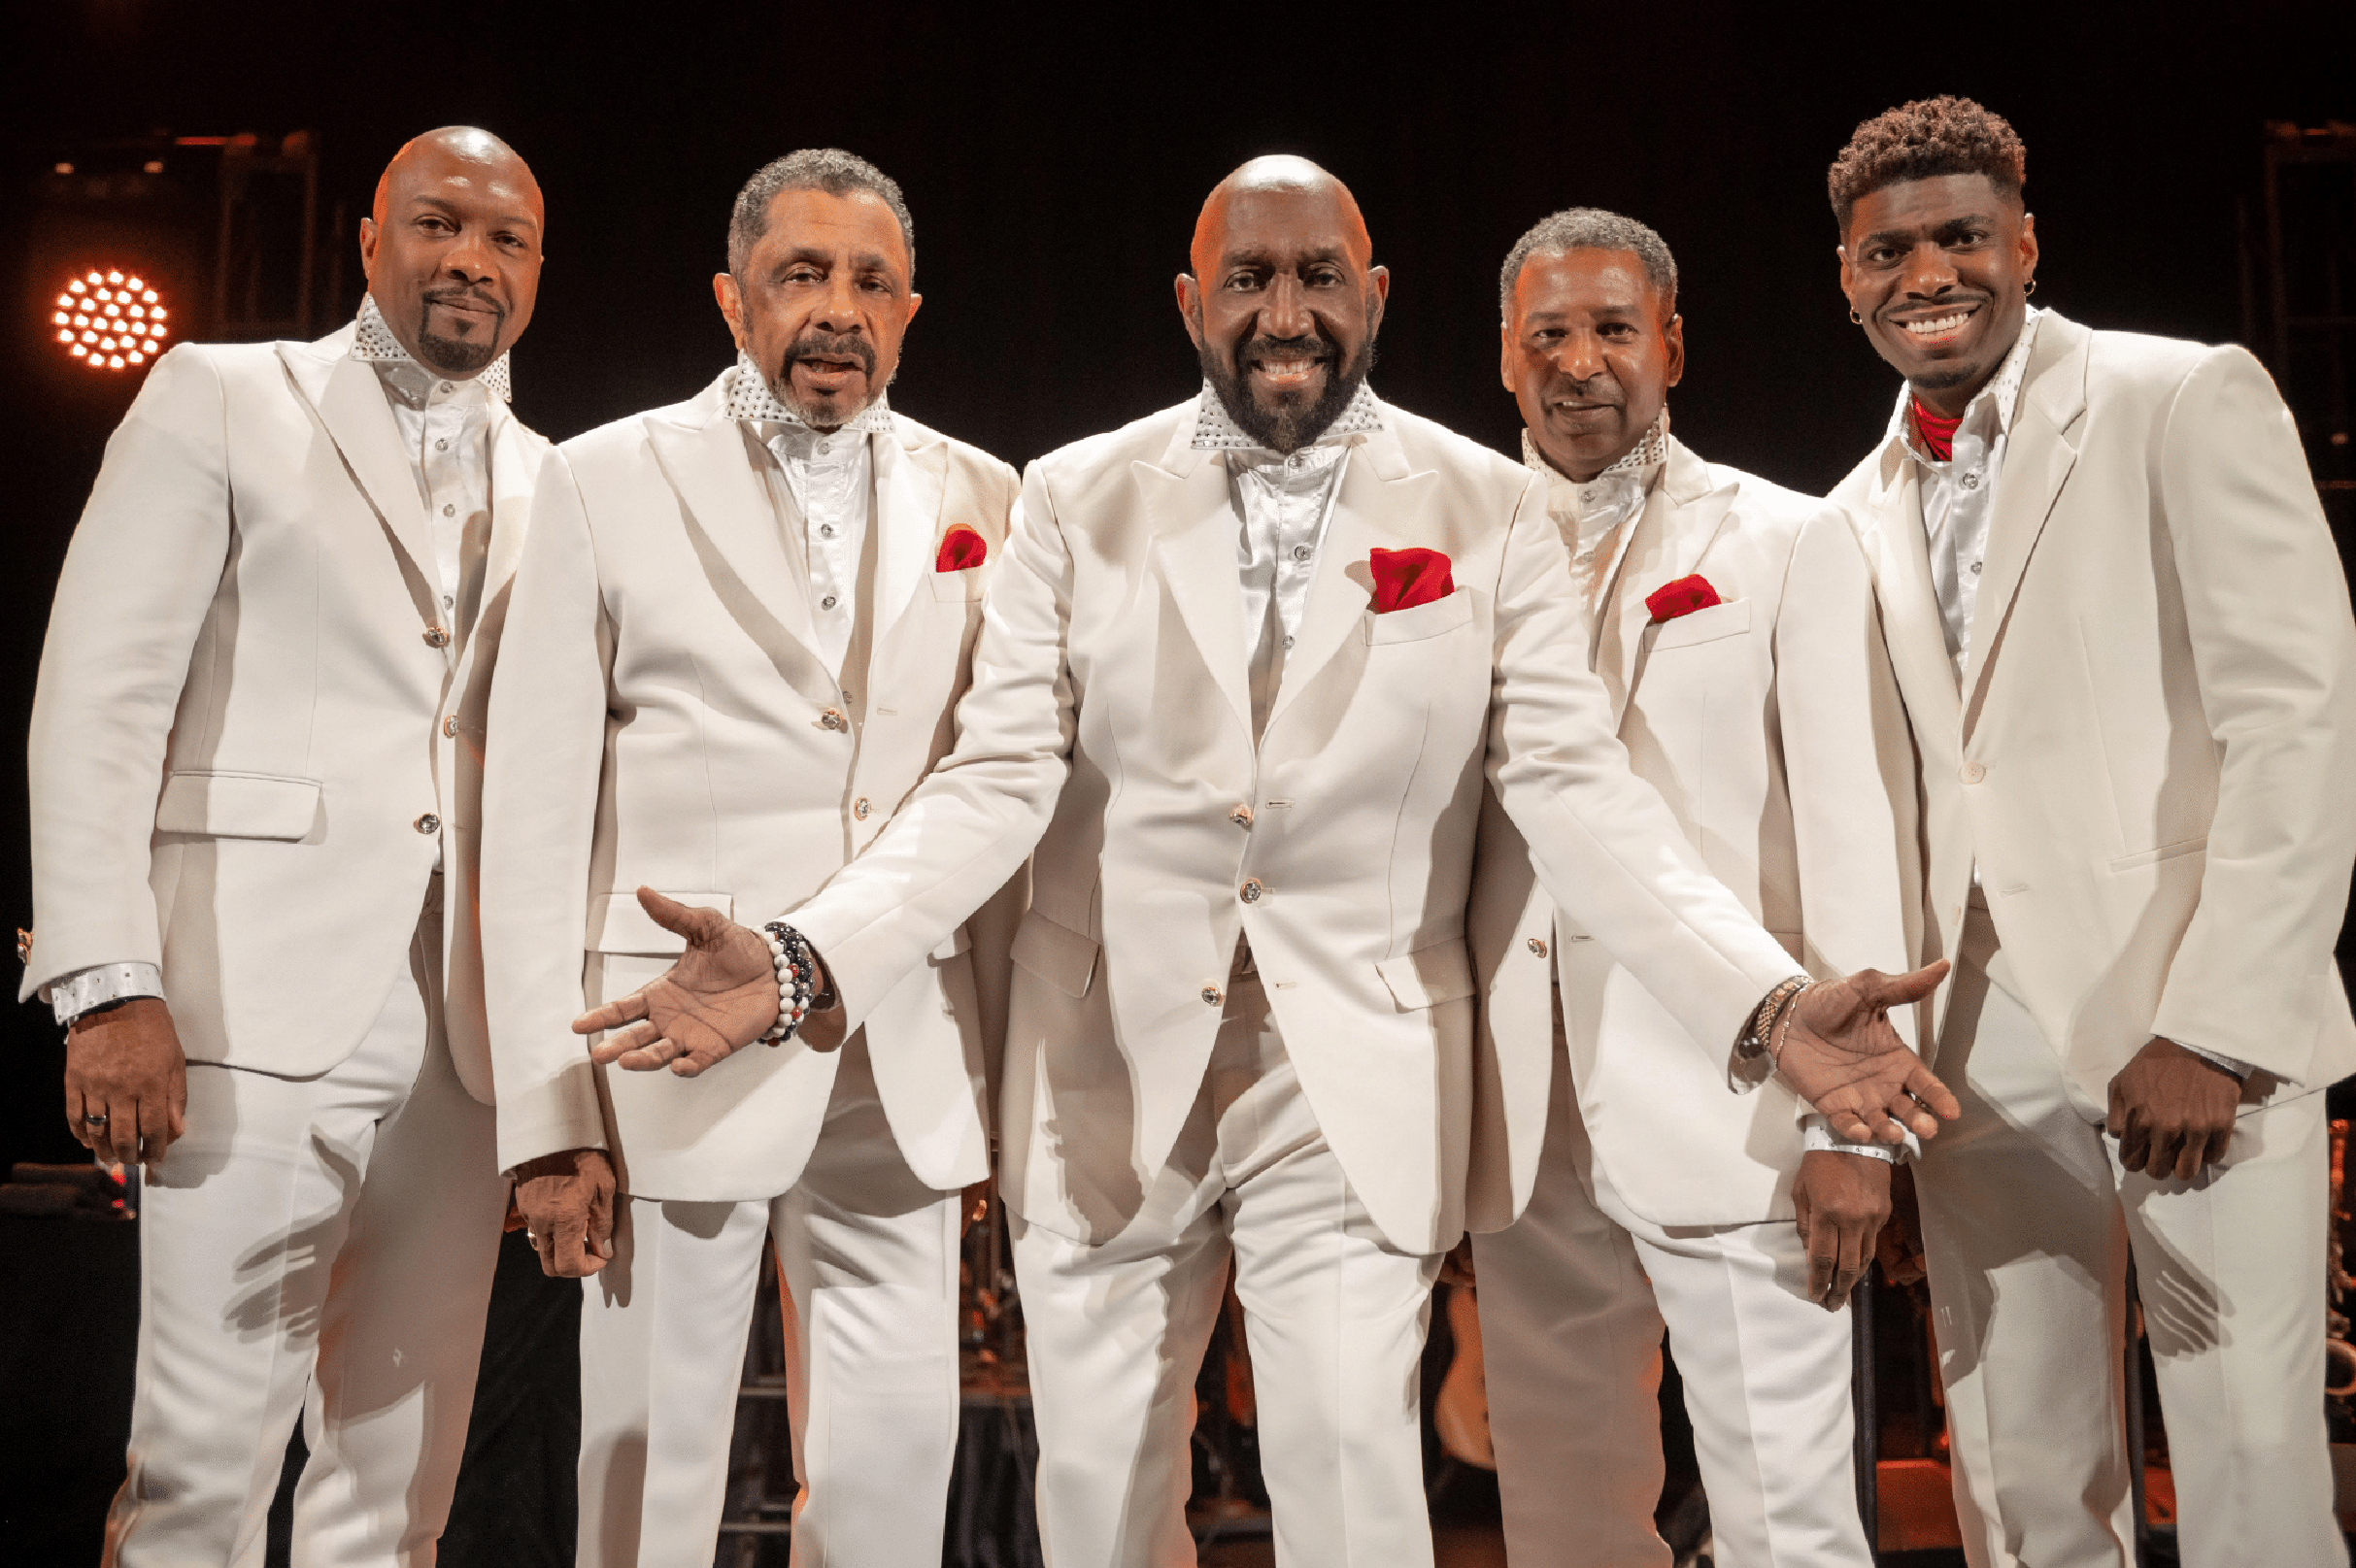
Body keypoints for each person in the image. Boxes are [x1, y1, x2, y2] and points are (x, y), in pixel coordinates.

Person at [582, 155, 1953, 1568]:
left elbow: (1574, 790)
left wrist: (1767, 1003)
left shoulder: (1486, 508)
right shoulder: (1071, 495)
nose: (1283, 312)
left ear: (1374, 297)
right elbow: (996, 779)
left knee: (1353, 1491)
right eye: (1248, 278)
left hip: (1352, 1065)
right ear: (1192, 303)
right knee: (1100, 1514)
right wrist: (805, 955)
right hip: (1101, 1061)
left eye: (1316, 278)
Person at [1825, 95, 2356, 1568]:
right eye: (1887, 251)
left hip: (2186, 1028)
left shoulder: (2176, 396)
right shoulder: (1851, 507)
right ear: (1847, 278)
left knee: (2251, 1474)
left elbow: (2297, 718)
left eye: (1960, 236)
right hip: (1972, 1049)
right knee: (2022, 1487)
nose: (1927, 273)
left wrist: (2219, 1024)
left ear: (2025, 243)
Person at [480, 149, 1021, 1567]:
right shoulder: (602, 476)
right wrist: (547, 1116)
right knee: (645, 1486)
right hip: (663, 1051)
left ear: (910, 310)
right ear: (733, 298)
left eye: (871, 280)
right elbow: (531, 817)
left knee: (894, 1489)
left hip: (895, 1047)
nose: (838, 308)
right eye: (802, 273)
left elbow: (1000, 782)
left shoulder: (989, 491)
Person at [22, 126, 549, 1563]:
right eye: (438, 224)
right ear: (369, 243)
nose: (469, 260)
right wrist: (107, 984)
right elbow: (98, 700)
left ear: (537, 271)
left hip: (464, 1041)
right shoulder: (222, 394)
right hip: (239, 1008)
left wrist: (557, 1087)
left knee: (396, 1499)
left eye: (504, 239)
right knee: (199, 1476)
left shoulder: (560, 479)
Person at [1465, 207, 1917, 1568]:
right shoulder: (1452, 545)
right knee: (1562, 1526)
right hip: (1519, 1114)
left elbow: (1856, 832)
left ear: (1671, 343)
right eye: (1548, 332)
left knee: (1789, 1524)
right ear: (1504, 355)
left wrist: (1854, 1133)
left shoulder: (1789, 538)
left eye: (1613, 327)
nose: (1579, 361)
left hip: (1744, 1103)